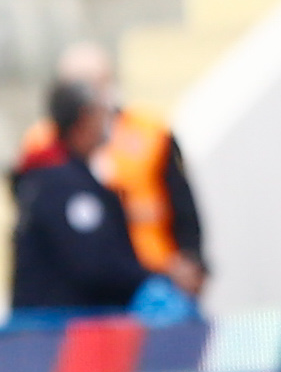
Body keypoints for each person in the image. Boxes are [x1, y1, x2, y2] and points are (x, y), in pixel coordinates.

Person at [13, 42, 207, 298]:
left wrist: (191, 260)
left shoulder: (149, 133)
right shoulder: (42, 148)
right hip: (88, 292)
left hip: (154, 276)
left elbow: (182, 205)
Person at [10, 82, 152, 313]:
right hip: (62, 327)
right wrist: (155, 279)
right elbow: (95, 264)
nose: (111, 120)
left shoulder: (64, 178)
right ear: (86, 119)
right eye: (103, 112)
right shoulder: (64, 187)